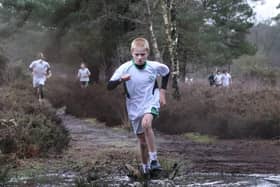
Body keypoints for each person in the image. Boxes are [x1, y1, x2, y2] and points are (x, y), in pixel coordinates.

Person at [107, 37, 170, 174]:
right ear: (132, 52)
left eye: (143, 54)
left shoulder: (154, 66)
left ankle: (154, 160)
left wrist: (162, 93)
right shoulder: (125, 68)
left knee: (147, 124)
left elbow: (166, 73)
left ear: (147, 53)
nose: (140, 57)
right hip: (134, 107)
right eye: (137, 54)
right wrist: (120, 80)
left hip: (150, 102)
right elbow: (109, 86)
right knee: (142, 142)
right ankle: (145, 168)